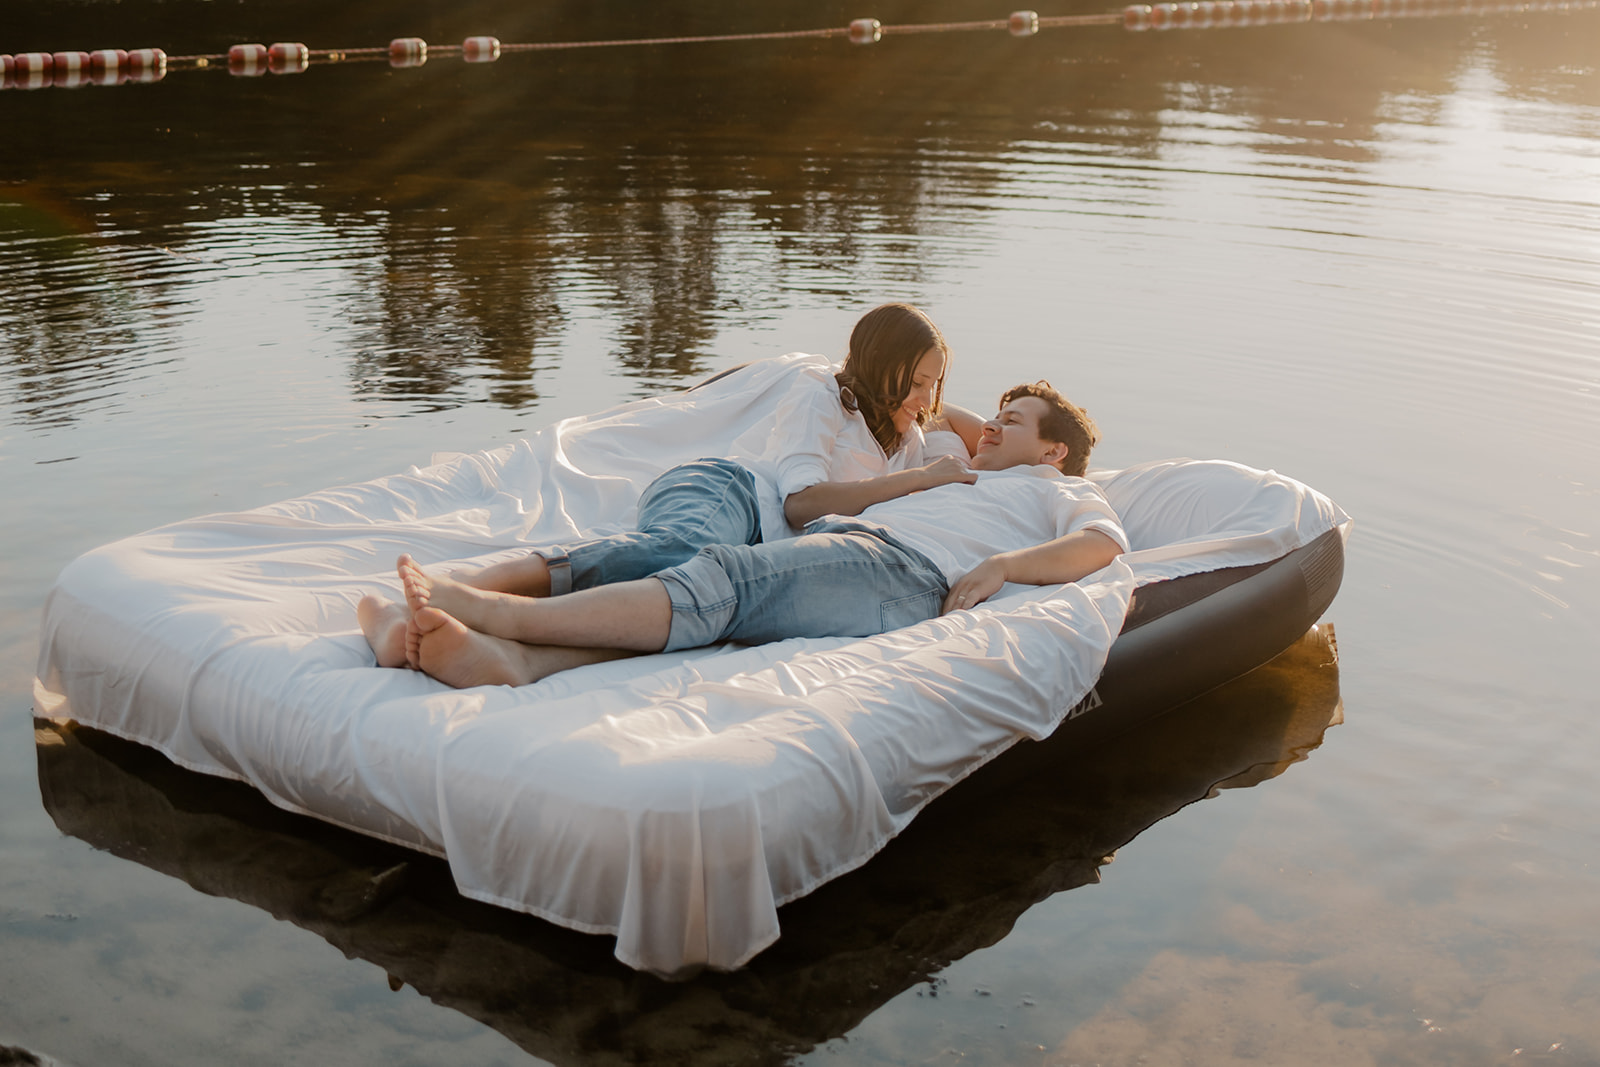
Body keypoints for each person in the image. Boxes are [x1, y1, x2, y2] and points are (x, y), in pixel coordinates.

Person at [390, 382, 1127, 690]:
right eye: (997, 415)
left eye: (1017, 421)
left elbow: (1103, 546)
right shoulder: (966, 469)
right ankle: (517, 660)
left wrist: (1005, 563)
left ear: (1055, 450)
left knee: (723, 579)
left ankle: (504, 611)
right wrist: (994, 425)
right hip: (860, 559)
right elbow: (936, 410)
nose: (991, 427)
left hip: (901, 571)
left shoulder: (1061, 488)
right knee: (720, 609)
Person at [360, 302, 981, 666]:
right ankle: (444, 593)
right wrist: (917, 481)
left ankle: (491, 642)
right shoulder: (822, 396)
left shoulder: (913, 436)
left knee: (684, 600)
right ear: (879, 365)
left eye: (934, 384)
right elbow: (801, 502)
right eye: (916, 380)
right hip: (729, 491)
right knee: (671, 555)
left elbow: (987, 431)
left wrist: (938, 420)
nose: (926, 398)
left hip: (754, 548)